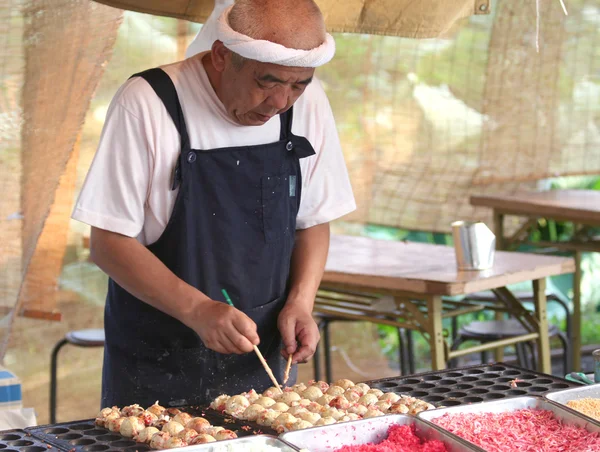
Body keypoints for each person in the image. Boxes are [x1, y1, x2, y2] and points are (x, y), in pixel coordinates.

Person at [72, 0, 355, 408]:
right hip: (157, 365)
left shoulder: (306, 104)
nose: (280, 102)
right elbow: (109, 243)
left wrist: (301, 302)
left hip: (263, 360)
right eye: (267, 81)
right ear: (222, 55)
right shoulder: (149, 102)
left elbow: (313, 219)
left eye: (297, 85)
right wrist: (199, 310)